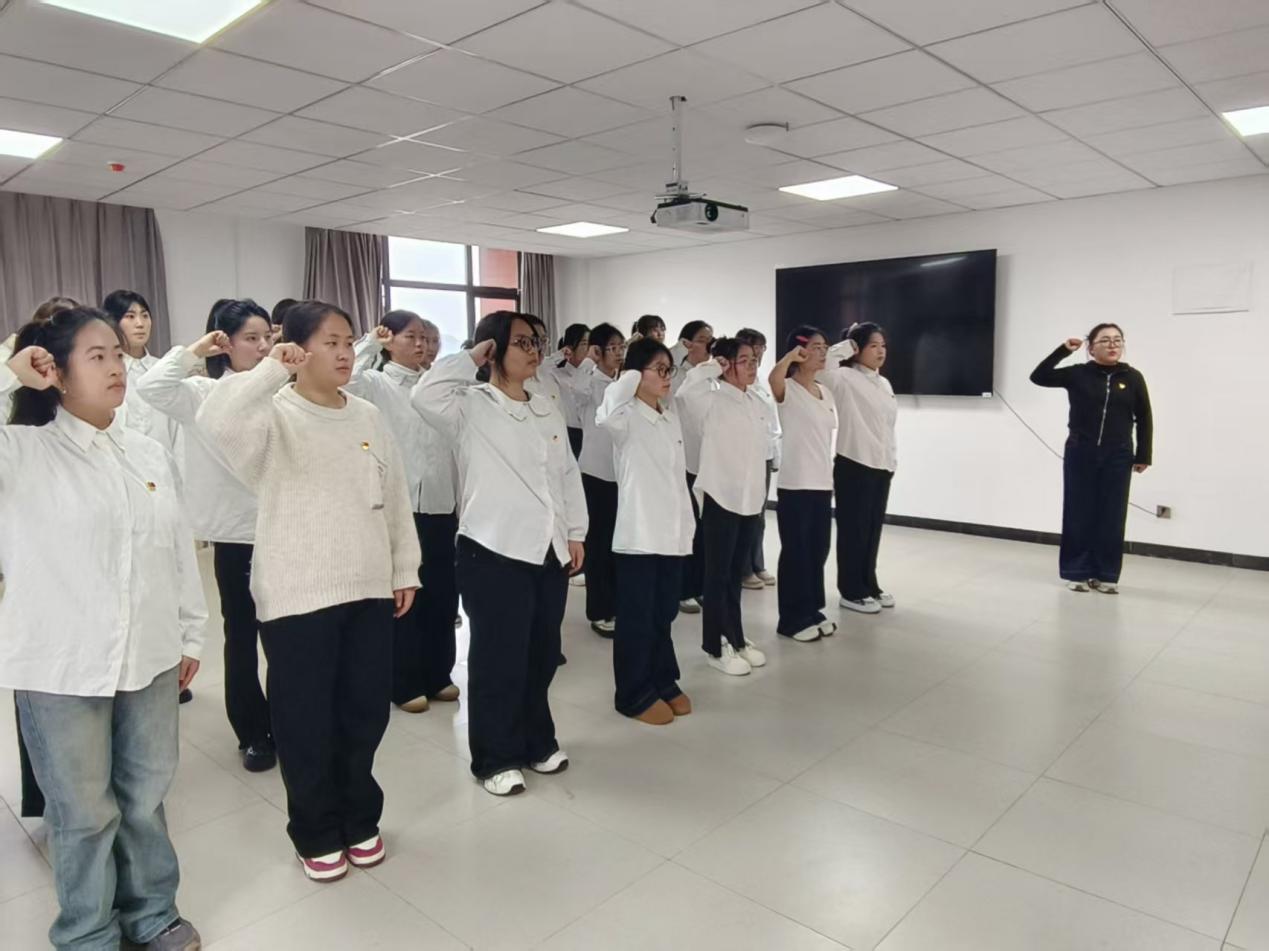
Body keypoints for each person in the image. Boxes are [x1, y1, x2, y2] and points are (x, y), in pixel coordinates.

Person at [1, 307, 205, 951]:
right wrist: (10, 372)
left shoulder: (144, 451)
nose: (117, 366)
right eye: (97, 356)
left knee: (144, 797)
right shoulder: (21, 452)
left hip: (149, 654)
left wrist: (190, 634)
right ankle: (87, 931)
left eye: (117, 353)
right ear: (54, 373)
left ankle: (153, 913)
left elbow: (176, 550)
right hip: (62, 664)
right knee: (84, 811)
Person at [199, 300, 420, 883]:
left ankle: (358, 817)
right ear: (297, 349)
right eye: (330, 342)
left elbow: (395, 495)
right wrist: (274, 367)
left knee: (363, 712)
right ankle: (316, 831)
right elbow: (214, 418)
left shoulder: (367, 415)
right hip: (297, 593)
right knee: (304, 720)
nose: (345, 352)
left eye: (349, 341)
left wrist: (405, 567)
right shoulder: (273, 416)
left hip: (368, 586)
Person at [413, 311, 586, 797]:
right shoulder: (470, 405)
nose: (534, 351)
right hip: (492, 550)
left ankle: (537, 741)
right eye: (522, 342)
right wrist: (472, 356)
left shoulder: (545, 405)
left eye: (537, 342)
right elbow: (423, 394)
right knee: (498, 659)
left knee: (541, 654)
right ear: (493, 350)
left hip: (547, 549)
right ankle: (495, 757)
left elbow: (566, 473)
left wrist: (575, 531)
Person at [137, 299, 277, 769]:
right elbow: (152, 387)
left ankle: (287, 722)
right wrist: (195, 351)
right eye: (250, 338)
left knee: (286, 638)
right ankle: (253, 732)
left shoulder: (282, 390)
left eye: (267, 337)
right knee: (242, 636)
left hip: (284, 529)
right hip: (236, 536)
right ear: (225, 343)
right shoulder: (200, 393)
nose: (262, 347)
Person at [349, 310, 460, 713]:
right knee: (404, 595)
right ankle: (404, 681)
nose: (421, 344)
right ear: (389, 340)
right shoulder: (377, 383)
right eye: (411, 337)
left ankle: (439, 674)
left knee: (441, 595)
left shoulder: (437, 387)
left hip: (441, 502)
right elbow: (348, 379)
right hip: (400, 507)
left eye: (425, 338)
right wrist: (369, 342)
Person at [597, 336, 694, 724]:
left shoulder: (669, 415)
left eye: (670, 369)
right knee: (637, 618)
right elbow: (605, 410)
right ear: (636, 375)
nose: (668, 377)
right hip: (639, 536)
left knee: (663, 613)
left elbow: (676, 478)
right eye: (660, 369)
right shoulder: (625, 417)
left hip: (671, 532)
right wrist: (633, 371)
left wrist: (687, 527)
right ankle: (633, 693)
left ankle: (663, 679)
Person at [1030, 324, 1152, 594]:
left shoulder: (1133, 377)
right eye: (1105, 340)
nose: (1112, 345)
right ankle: (1077, 572)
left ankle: (1106, 574)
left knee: (1112, 515)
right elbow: (1038, 376)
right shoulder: (1078, 374)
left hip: (1118, 455)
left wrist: (1144, 454)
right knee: (1078, 512)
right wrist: (1063, 351)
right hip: (1081, 452)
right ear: (1091, 347)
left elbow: (1144, 416)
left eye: (1117, 340)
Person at [676, 337, 770, 676]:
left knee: (735, 575)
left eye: (753, 359)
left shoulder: (755, 401)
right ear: (726, 364)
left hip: (749, 500)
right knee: (716, 576)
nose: (752, 366)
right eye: (743, 360)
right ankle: (714, 646)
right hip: (721, 498)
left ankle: (736, 637)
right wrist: (712, 366)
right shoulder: (710, 400)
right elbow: (685, 393)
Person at [822, 323, 898, 615]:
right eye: (873, 345)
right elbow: (824, 367)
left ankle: (869, 583)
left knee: (872, 530)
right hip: (855, 463)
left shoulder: (884, 383)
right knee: (853, 531)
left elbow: (887, 428)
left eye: (883, 345)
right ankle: (851, 591)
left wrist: (891, 459)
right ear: (857, 349)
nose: (881, 351)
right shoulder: (843, 377)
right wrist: (846, 345)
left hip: (882, 464)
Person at [769, 328, 838, 642]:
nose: (823, 352)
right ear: (799, 351)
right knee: (796, 552)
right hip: (796, 484)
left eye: (825, 347)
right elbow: (773, 379)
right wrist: (789, 358)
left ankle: (812, 609)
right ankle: (791, 618)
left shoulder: (825, 391)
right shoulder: (788, 389)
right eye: (816, 347)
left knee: (818, 550)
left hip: (822, 482)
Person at [570, 322, 625, 637]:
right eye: (612, 348)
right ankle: (600, 610)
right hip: (595, 474)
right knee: (599, 545)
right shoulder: (590, 383)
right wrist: (589, 359)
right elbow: (576, 389)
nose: (618, 353)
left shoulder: (622, 384)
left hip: (619, 474)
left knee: (617, 545)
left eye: (621, 347)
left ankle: (616, 603)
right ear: (598, 350)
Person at [669, 320, 714, 614]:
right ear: (686, 343)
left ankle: (699, 586)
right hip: (681, 461)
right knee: (686, 528)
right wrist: (677, 352)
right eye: (702, 340)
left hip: (705, 461)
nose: (709, 345)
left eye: (711, 339)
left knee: (704, 530)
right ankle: (683, 589)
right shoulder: (675, 375)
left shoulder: (711, 376)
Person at [736, 328, 781, 590]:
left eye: (762, 347)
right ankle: (743, 569)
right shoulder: (734, 385)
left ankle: (756, 563)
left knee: (759, 516)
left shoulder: (761, 382)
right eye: (754, 348)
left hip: (763, 455)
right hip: (745, 457)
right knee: (745, 514)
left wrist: (775, 455)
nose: (759, 353)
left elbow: (772, 423)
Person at [543, 323, 590, 458]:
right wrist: (561, 354)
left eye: (590, 343)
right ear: (570, 346)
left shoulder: (592, 374)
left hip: (592, 433)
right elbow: (539, 368)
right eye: (584, 343)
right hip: (568, 434)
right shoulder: (556, 374)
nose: (588, 348)